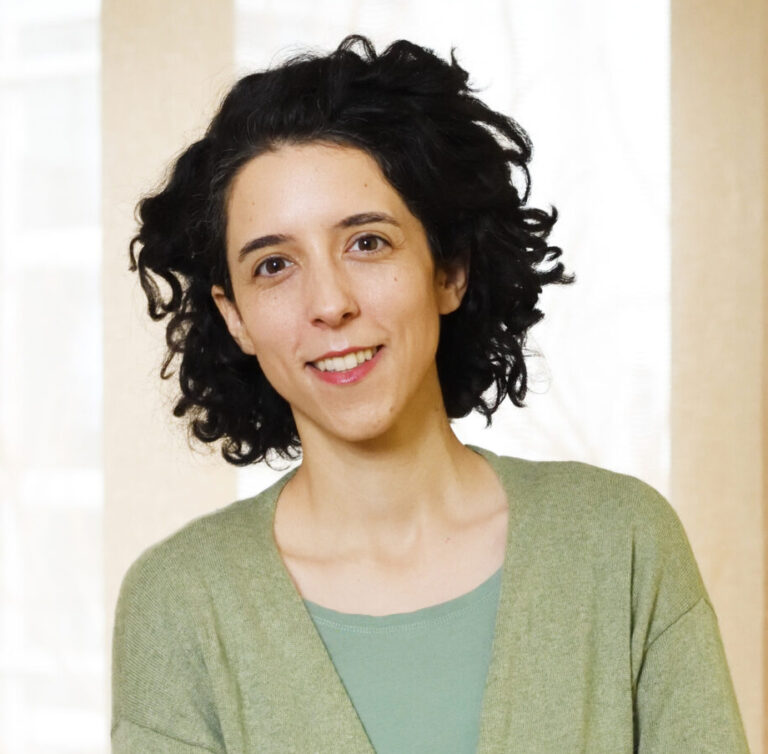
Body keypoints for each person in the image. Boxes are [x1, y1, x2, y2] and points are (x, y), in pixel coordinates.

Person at [111, 35, 749, 753]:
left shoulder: (620, 543)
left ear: (449, 271)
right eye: (274, 265)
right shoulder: (180, 604)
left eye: (367, 243)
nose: (330, 303)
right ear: (235, 317)